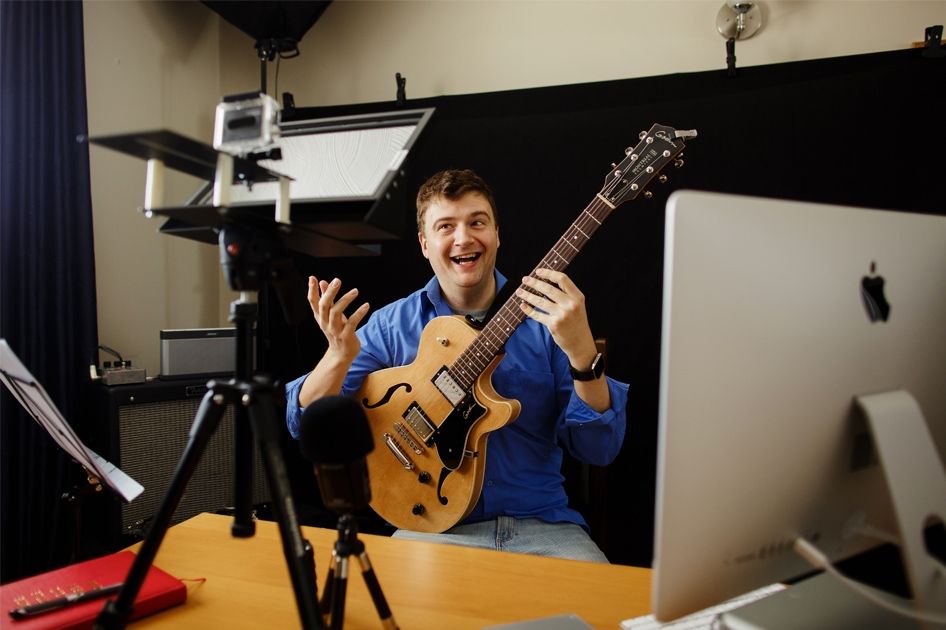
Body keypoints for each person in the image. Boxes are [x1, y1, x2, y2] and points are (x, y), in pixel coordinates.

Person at [285, 169, 628, 562]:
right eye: (445, 226)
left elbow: (599, 449)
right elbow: (305, 419)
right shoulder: (391, 325)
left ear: (497, 233)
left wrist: (583, 355)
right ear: (425, 244)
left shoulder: (550, 322)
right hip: (430, 532)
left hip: (546, 528)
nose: (463, 238)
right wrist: (336, 358)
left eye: (476, 222)